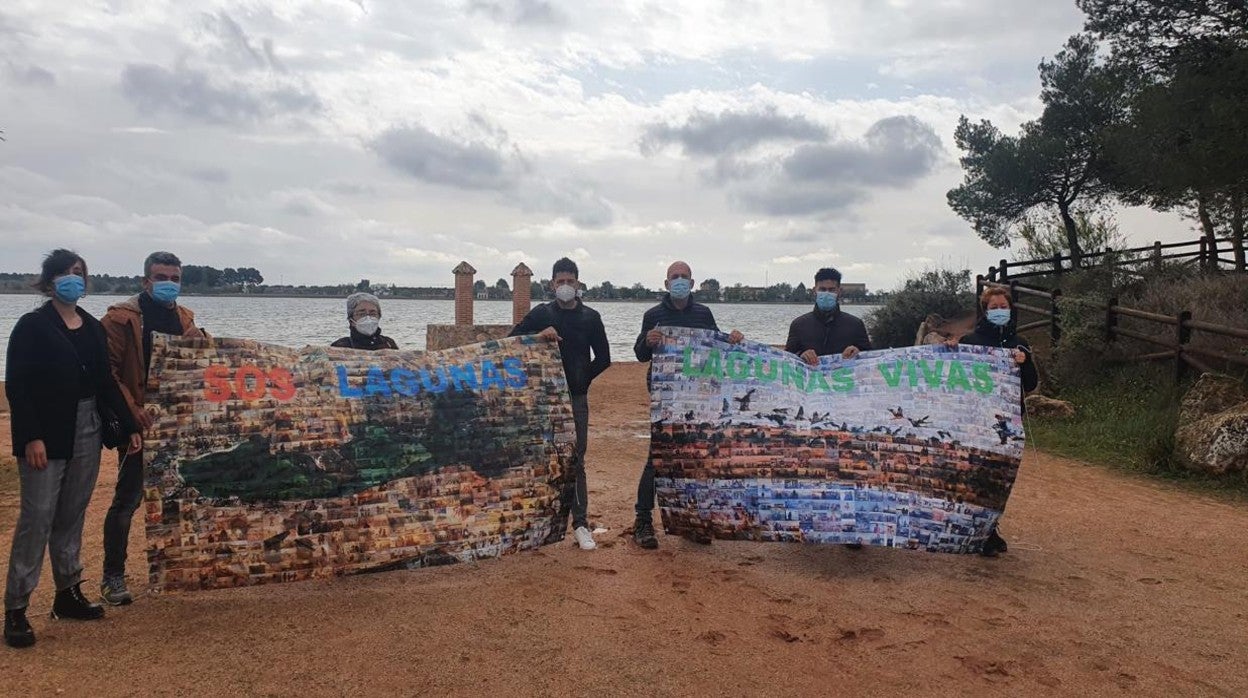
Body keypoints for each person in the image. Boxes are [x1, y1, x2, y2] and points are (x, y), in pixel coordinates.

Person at [5, 250, 142, 649]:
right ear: (48, 282)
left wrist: (130, 426)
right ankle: (16, 607)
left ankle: (68, 591)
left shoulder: (92, 328)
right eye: (65, 273)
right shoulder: (32, 326)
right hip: (46, 431)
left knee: (72, 513)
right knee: (38, 516)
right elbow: (18, 385)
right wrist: (31, 437)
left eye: (79, 273)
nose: (73, 279)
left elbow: (105, 382)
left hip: (87, 426)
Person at [99, 251, 206, 606]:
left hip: (177, 424)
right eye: (162, 277)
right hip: (138, 424)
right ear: (146, 281)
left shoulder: (184, 317)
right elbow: (109, 372)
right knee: (128, 499)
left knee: (182, 497)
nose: (169, 284)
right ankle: (112, 575)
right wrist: (132, 412)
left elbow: (200, 356)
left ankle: (180, 568)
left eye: (175, 278)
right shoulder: (121, 319)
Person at [632, 261, 743, 549]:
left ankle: (690, 521)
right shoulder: (653, 314)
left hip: (698, 395)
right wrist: (648, 340)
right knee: (656, 457)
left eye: (684, 277)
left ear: (692, 283)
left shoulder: (703, 313)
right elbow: (640, 354)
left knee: (694, 457)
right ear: (666, 283)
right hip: (665, 394)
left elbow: (717, 349)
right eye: (674, 277)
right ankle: (643, 521)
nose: (679, 280)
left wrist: (732, 340)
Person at [509, 258, 610, 551]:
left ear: (577, 284)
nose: (565, 286)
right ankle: (537, 521)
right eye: (560, 281)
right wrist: (538, 336)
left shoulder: (591, 317)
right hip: (544, 398)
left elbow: (604, 358)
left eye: (570, 281)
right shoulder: (541, 314)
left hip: (575, 398)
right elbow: (511, 342)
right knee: (540, 458)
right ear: (552, 284)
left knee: (576, 460)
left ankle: (580, 523)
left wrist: (581, 380)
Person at [785, 266, 871, 549]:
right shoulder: (799, 324)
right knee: (809, 463)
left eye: (831, 289)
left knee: (846, 465)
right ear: (814, 290)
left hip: (845, 407)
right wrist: (800, 355)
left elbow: (871, 362)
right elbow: (785, 366)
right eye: (822, 289)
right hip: (810, 407)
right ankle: (808, 524)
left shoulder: (855, 325)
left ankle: (850, 528)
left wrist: (858, 354)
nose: (826, 293)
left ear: (839, 291)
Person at [956, 285, 1040, 558]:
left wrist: (1024, 362)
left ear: (1010, 308)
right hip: (979, 422)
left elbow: (1031, 384)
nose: (1000, 311)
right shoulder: (971, 341)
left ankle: (990, 527)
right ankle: (984, 532)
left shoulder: (1020, 342)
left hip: (1008, 425)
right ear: (985, 310)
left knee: (1000, 478)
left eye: (1004, 307)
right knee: (979, 476)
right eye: (994, 308)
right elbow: (957, 381)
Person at [331, 292, 399, 350]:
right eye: (362, 314)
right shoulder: (340, 346)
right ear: (351, 321)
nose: (368, 318)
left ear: (379, 317)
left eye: (373, 314)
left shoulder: (388, 343)